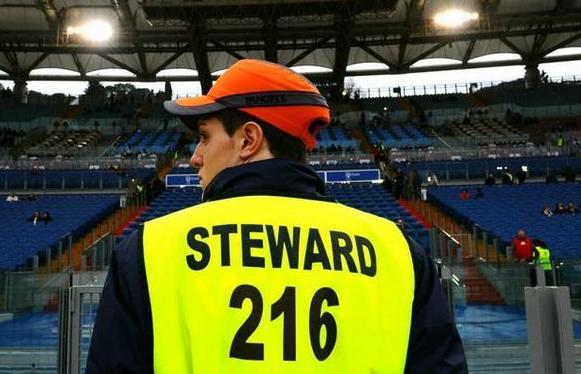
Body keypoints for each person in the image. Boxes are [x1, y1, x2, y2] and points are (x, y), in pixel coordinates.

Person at [86, 59, 467, 373]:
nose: (194, 158)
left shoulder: (150, 250)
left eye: (204, 136)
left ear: (248, 140)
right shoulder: (398, 253)